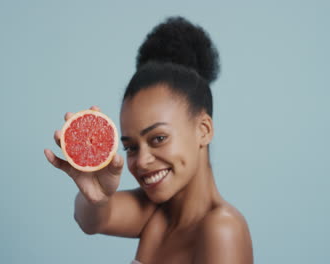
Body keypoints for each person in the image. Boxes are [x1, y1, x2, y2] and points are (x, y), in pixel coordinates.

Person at [44, 16, 253, 264]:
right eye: (131, 147)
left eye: (158, 138)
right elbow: (89, 219)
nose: (141, 161)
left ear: (204, 129)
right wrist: (96, 196)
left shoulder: (222, 229)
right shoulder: (155, 213)